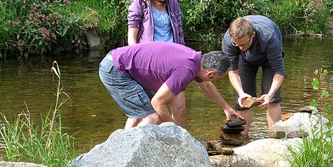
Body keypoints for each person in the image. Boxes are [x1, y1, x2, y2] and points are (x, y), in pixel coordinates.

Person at [99, 42, 242, 129]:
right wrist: (174, 128)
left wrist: (226, 108)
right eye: (220, 78)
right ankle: (129, 153)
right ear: (211, 74)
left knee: (138, 114)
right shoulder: (186, 71)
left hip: (119, 64)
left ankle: (122, 148)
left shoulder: (196, 59)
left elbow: (206, 85)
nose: (214, 81)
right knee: (153, 118)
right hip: (116, 70)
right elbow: (157, 102)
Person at [127, 0, 187, 126]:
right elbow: (132, 36)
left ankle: (180, 145)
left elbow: (179, 32)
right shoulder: (139, 3)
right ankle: (124, 142)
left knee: (179, 109)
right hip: (150, 62)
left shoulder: (172, 3)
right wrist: (134, 63)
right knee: (141, 112)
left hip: (174, 61)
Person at [222, 15, 285, 135]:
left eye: (244, 44)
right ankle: (242, 139)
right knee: (243, 102)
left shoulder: (269, 37)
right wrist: (241, 93)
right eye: (237, 45)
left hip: (268, 58)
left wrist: (270, 95)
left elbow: (279, 71)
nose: (241, 48)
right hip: (244, 61)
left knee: (273, 101)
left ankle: (275, 138)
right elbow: (232, 71)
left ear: (253, 35)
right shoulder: (229, 41)